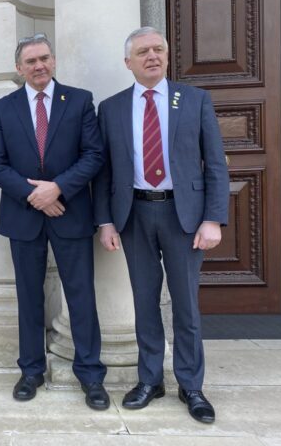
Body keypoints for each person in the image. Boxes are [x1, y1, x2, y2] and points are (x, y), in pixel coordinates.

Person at [93, 27, 229, 424]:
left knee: (185, 304)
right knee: (144, 301)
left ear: (167, 56)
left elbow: (216, 164)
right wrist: (105, 221)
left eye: (158, 50)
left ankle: (191, 385)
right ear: (128, 62)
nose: (152, 56)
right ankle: (150, 380)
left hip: (183, 216)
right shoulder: (112, 108)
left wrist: (213, 219)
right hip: (134, 215)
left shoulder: (194, 100)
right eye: (142, 52)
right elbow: (103, 173)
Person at [0, 33, 108, 408]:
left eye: (44, 58)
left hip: (70, 213)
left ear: (53, 61)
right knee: (28, 297)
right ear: (19, 68)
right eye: (31, 61)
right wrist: (35, 196)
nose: (39, 66)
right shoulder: (3, 108)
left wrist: (57, 189)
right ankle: (31, 371)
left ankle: (90, 374)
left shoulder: (80, 100)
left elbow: (93, 155)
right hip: (24, 216)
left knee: (81, 295)